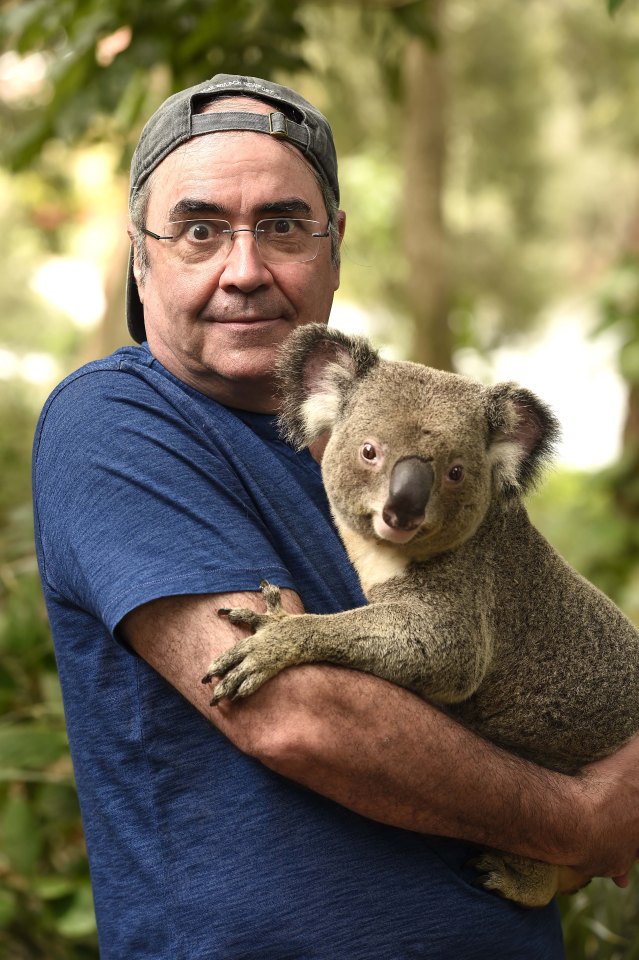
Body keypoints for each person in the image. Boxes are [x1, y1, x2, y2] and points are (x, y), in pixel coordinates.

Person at [32, 73, 638, 960]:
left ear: (334, 245)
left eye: (281, 226)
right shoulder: (115, 424)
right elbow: (291, 713)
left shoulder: (404, 423)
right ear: (138, 252)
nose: (243, 269)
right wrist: (580, 821)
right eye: (200, 230)